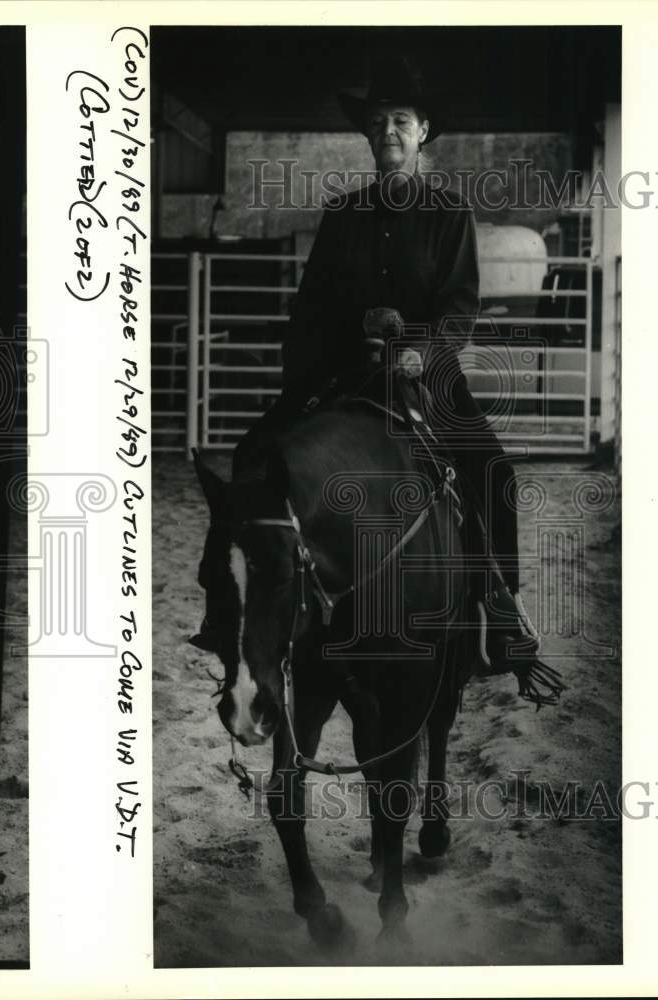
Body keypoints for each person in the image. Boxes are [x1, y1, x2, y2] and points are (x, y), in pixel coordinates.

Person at [233, 55, 543, 675]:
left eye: (400, 120)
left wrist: (420, 353)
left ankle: (497, 612)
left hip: (425, 376)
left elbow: (459, 305)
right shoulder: (342, 214)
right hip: (341, 371)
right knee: (251, 453)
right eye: (377, 122)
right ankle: (236, 603)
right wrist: (323, 364)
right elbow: (312, 305)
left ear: (423, 132)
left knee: (494, 474)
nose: (388, 131)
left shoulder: (450, 213)